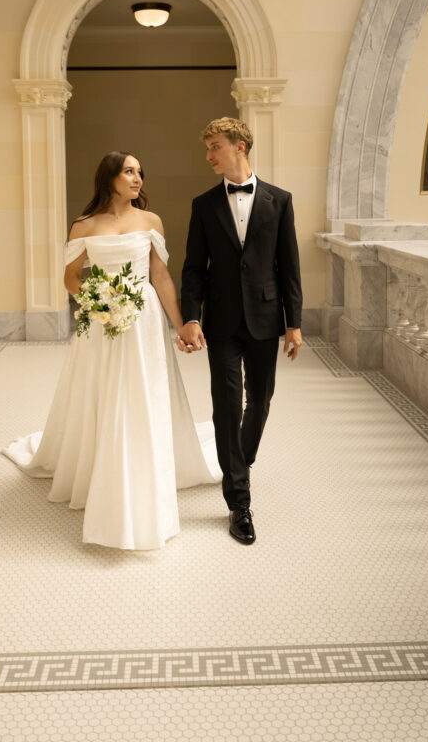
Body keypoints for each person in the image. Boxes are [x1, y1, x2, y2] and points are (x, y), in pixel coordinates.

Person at [2, 151, 219, 551]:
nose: (138, 179)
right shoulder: (84, 225)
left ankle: (144, 464)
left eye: (140, 173)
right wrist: (99, 302)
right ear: (110, 177)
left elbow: (160, 277)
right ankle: (103, 466)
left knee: (142, 390)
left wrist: (183, 325)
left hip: (145, 319)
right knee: (105, 391)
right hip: (102, 323)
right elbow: (70, 277)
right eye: (129, 172)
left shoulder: (149, 222)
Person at [178, 117, 302, 546]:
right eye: (208, 148)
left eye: (215, 146)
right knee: (226, 405)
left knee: (260, 400)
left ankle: (239, 460)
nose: (209, 155)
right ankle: (239, 503)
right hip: (222, 322)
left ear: (240, 146)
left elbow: (289, 267)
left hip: (267, 319)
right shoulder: (204, 204)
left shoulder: (280, 200)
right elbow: (193, 269)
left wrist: (294, 324)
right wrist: (191, 317)